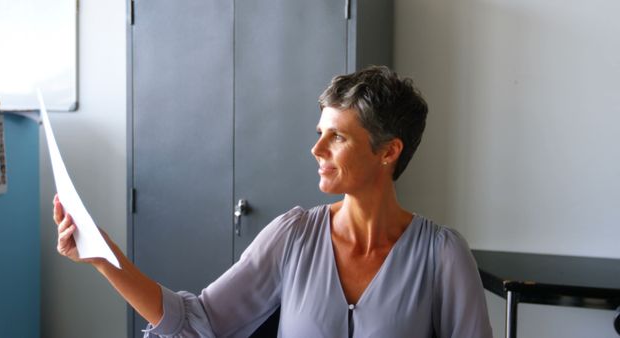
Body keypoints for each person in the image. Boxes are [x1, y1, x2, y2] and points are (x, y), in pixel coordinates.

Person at [54, 66, 492, 337]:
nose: (317, 150)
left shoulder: (442, 256)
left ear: (388, 151)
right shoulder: (294, 236)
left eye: (336, 137)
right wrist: (101, 255)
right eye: (319, 133)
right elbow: (198, 320)